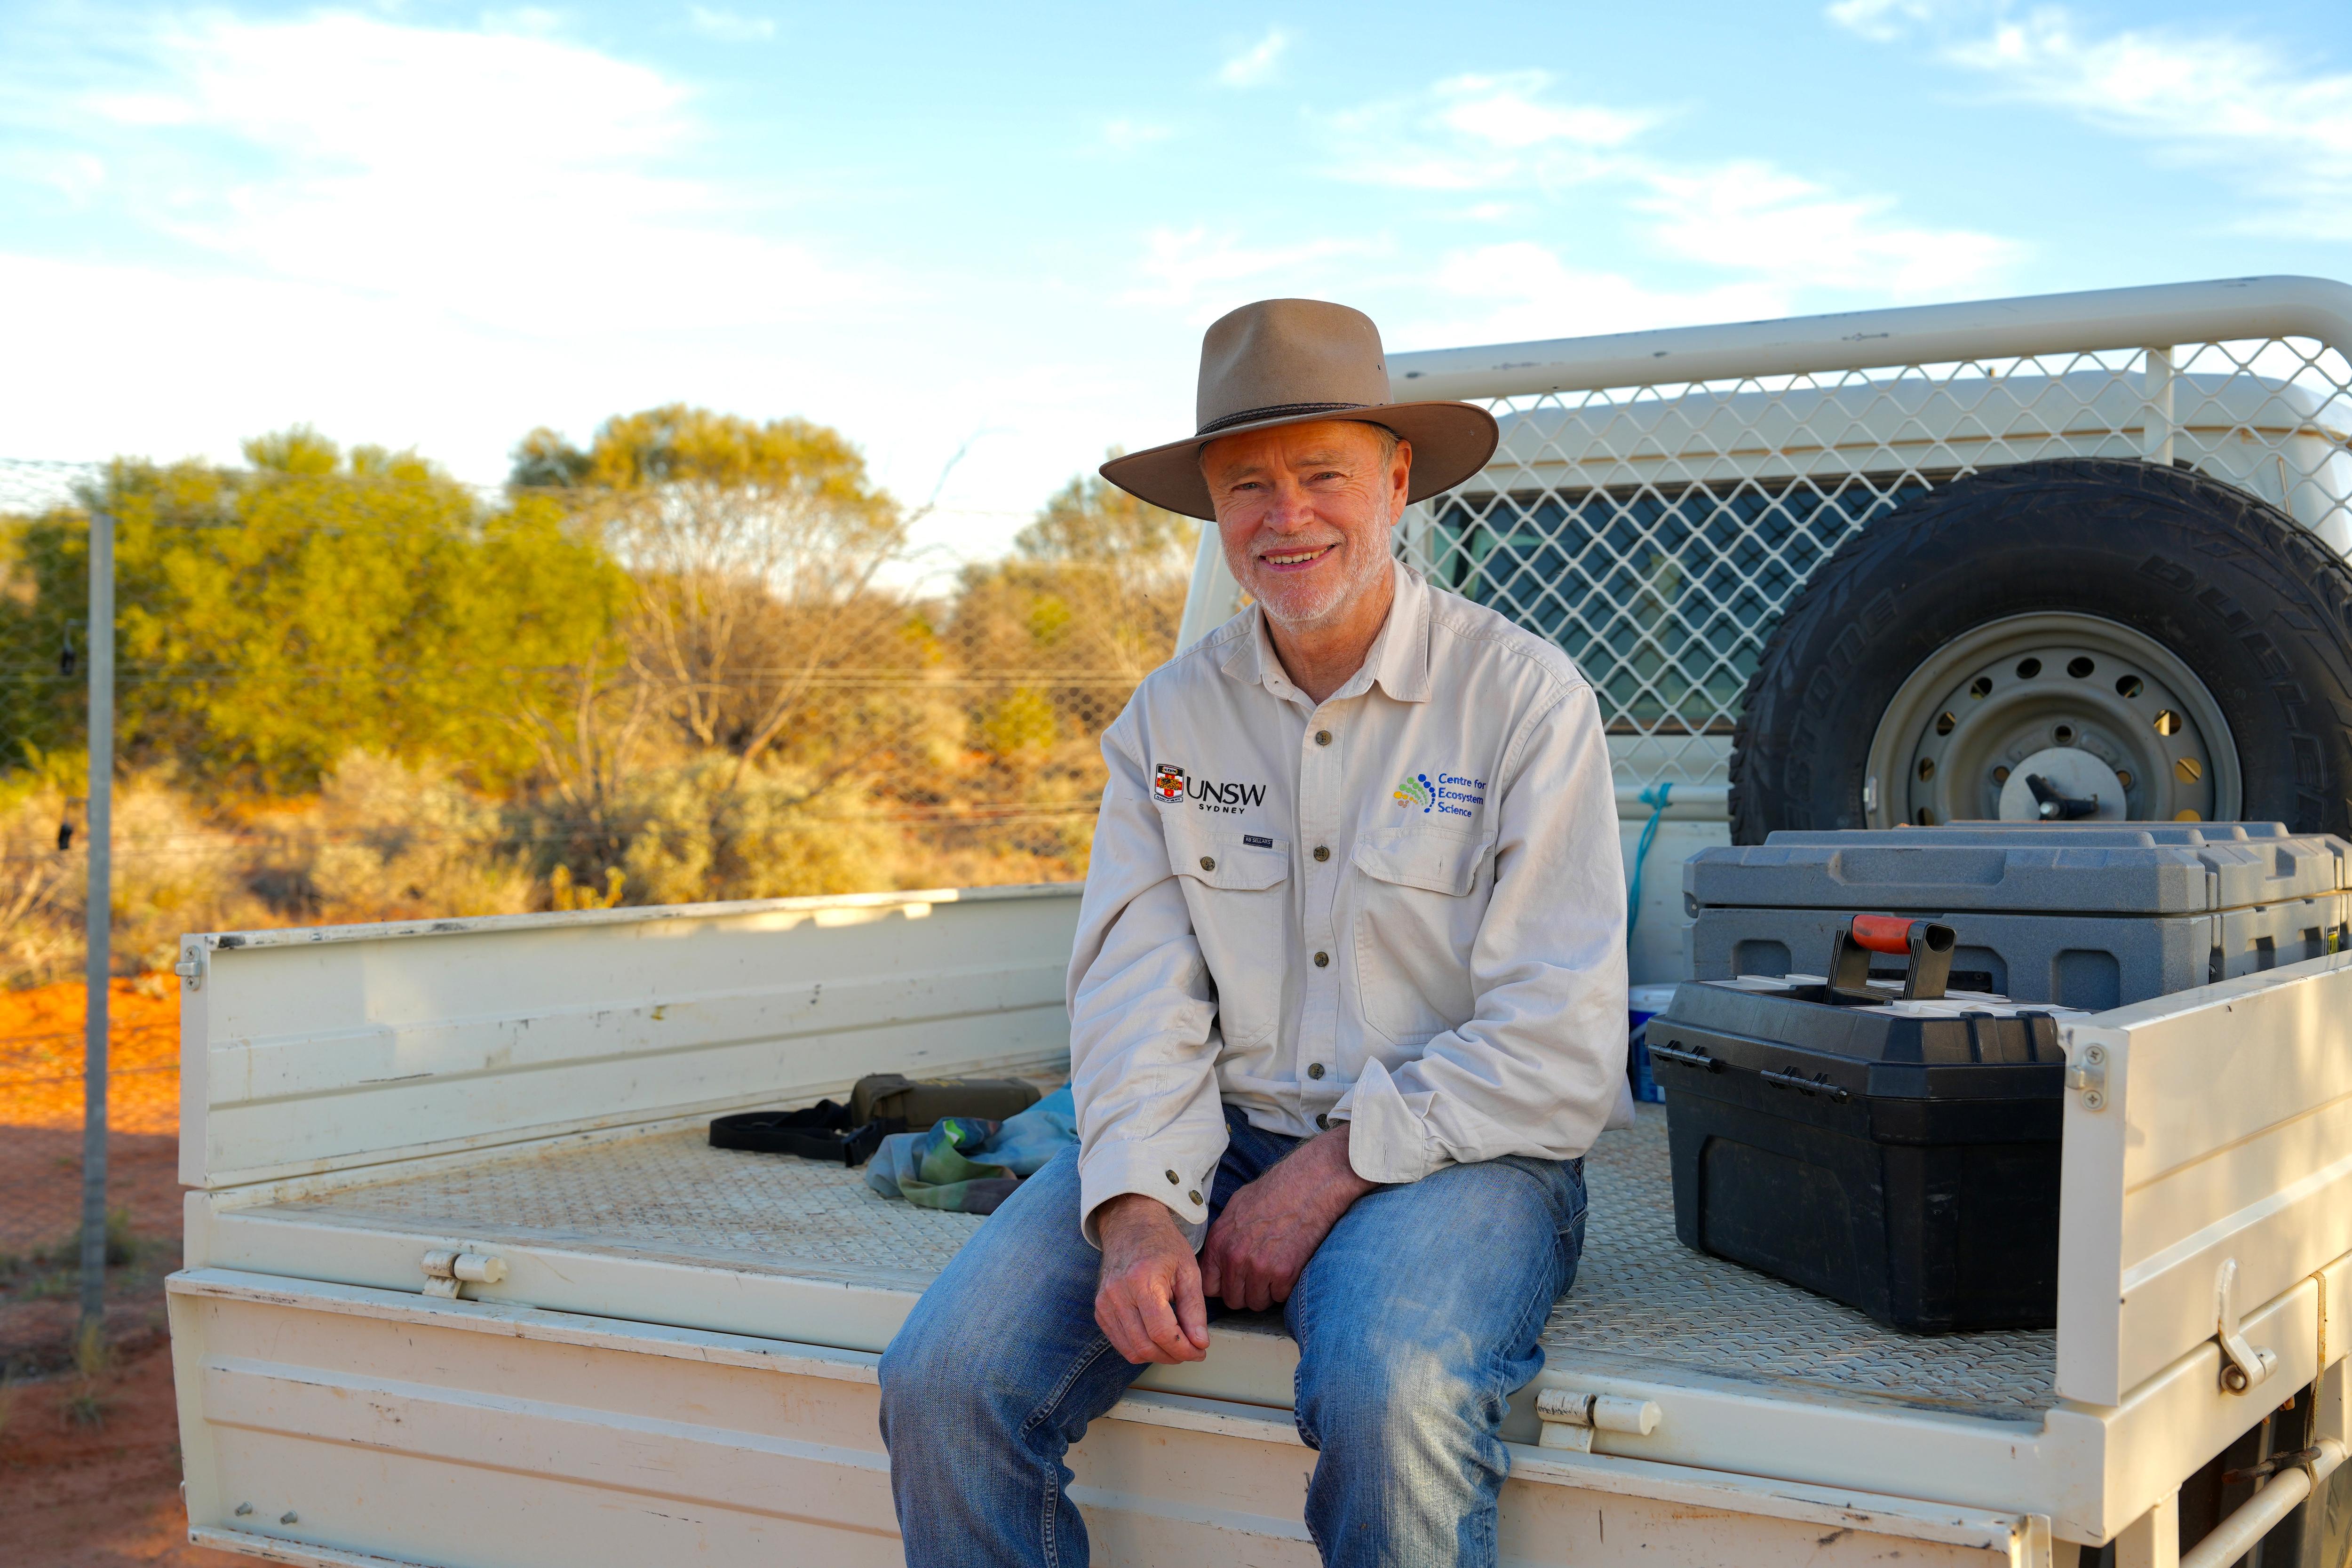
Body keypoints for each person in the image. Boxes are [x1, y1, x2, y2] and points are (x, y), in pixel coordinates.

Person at [879, 297, 1630, 1567]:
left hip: (1459, 1167)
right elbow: (1135, 994)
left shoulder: (1524, 699)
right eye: (1248, 487)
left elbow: (1559, 1045)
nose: (1288, 518)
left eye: (1322, 475)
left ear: (1395, 480)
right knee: (943, 1383)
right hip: (1216, 1139)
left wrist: (1328, 1173)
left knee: (1393, 1394)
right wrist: (1136, 1210)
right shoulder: (1170, 720)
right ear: (1213, 514)